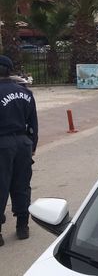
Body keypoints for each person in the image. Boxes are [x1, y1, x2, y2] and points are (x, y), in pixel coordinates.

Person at [0, 55, 38, 246]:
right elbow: (33, 123)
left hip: (3, 144)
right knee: (22, 184)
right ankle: (22, 226)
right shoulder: (26, 93)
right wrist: (32, 146)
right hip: (23, 143)